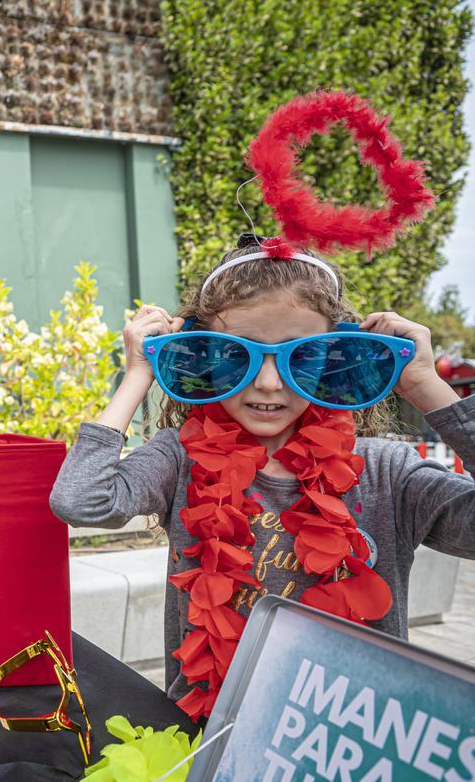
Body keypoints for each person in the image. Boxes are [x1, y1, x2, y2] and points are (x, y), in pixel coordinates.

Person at [50, 238, 475, 720]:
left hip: (352, 736)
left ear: (333, 357)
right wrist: (138, 373)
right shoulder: (181, 457)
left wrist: (428, 387)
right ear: (204, 355)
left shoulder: (386, 472)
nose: (269, 383)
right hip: (214, 733)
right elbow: (81, 500)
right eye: (238, 354)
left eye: (300, 355)